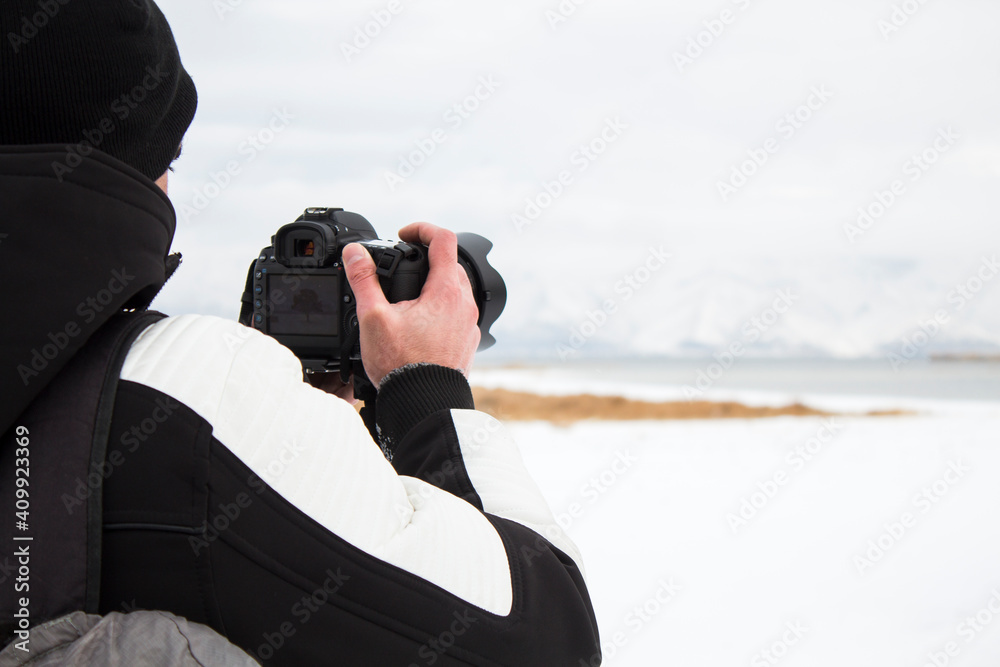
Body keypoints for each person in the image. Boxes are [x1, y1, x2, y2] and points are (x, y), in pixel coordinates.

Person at [0, 1, 601, 665]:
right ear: (131, 168)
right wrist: (426, 389)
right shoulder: (186, 392)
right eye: (170, 158)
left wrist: (310, 431)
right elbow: (546, 639)